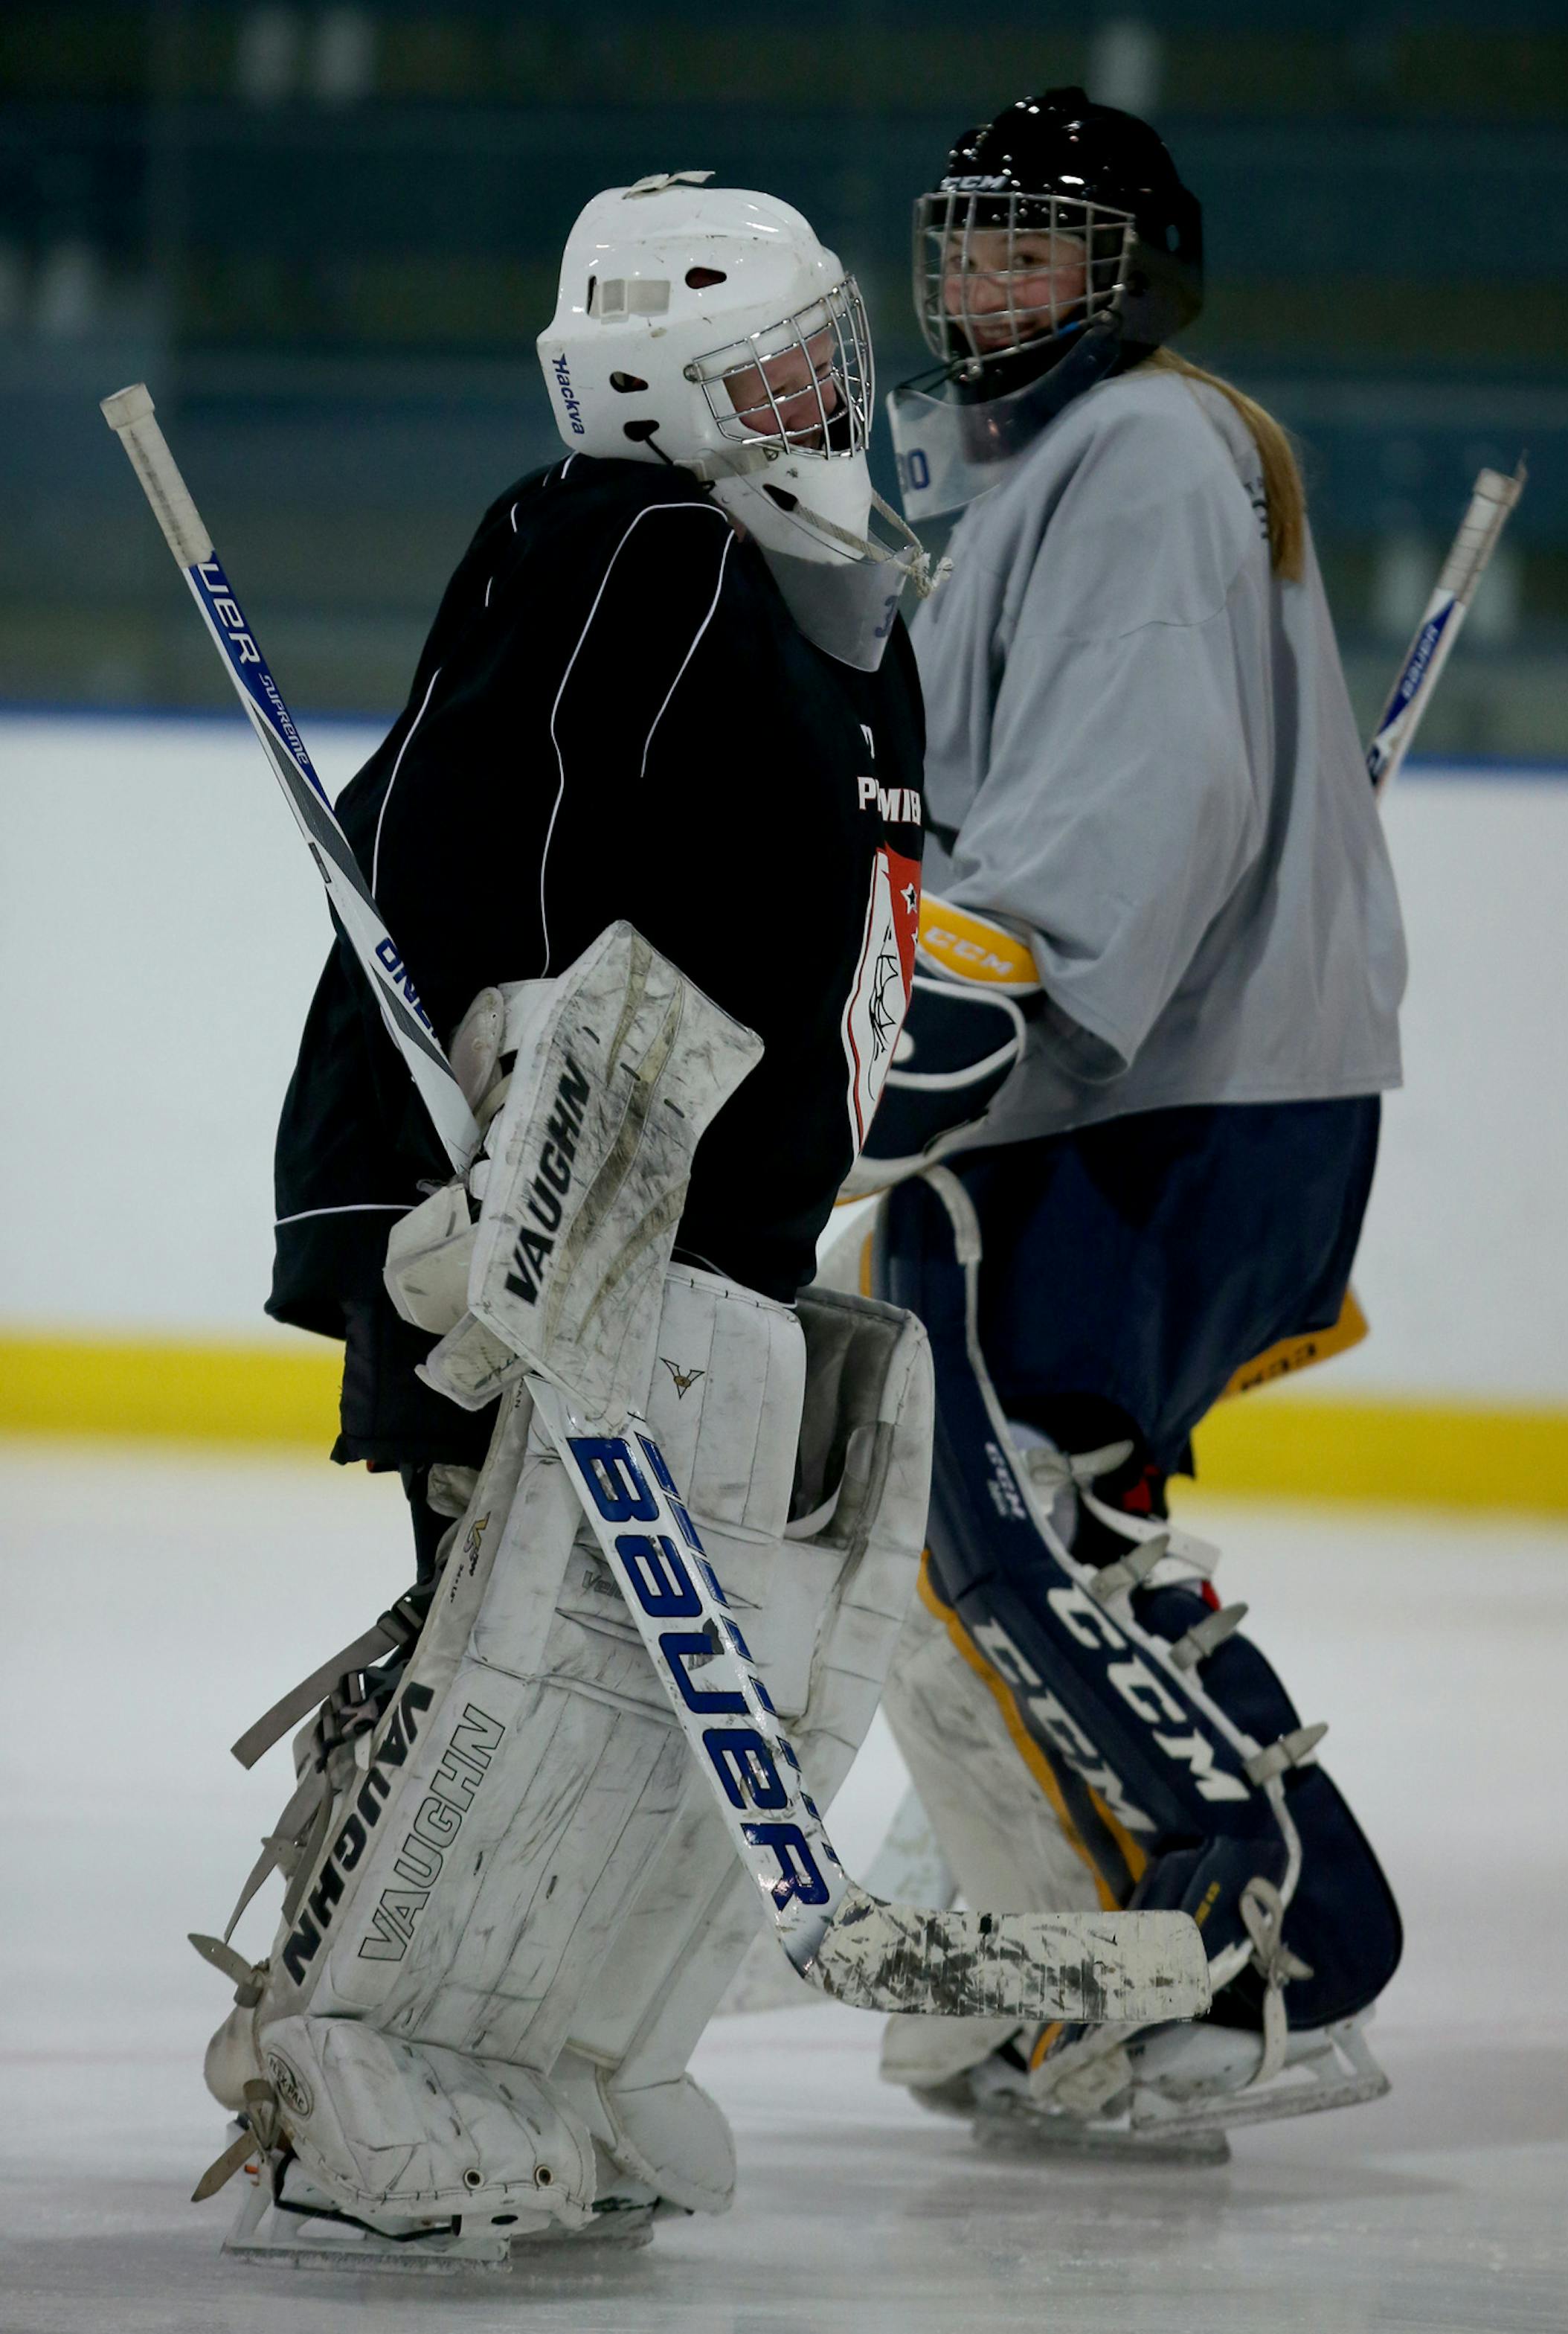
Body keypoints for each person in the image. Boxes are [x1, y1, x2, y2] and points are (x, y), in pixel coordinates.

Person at [190, 173, 942, 2263]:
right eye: (769, 376)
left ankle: (557, 2056)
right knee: (497, 1664)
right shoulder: (639, 543)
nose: (818, 404)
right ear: (661, 401)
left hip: (681, 1254)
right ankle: (350, 2064)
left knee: (624, 1695)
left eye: (817, 358)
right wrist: (472, 1175)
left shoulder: (836, 618)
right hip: (520, 1229)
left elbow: (829, 953)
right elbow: (467, 829)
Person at [860, 89, 1407, 2151]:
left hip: (1123, 1090)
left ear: (1133, 273)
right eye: (973, 246)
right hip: (1148, 1081)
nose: (994, 285)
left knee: (998, 1524)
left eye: (1040, 249)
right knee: (1030, 1526)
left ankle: (1268, 1929)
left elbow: (1150, 771)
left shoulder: (1141, 454)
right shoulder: (1070, 462)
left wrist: (982, 983)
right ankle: (1110, 1923)